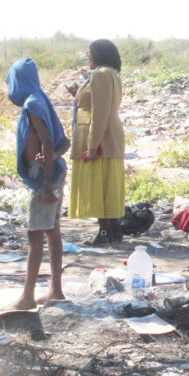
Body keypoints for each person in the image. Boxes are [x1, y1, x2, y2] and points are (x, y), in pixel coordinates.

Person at [6, 58, 70, 310]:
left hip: (42, 176)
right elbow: (63, 143)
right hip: (51, 172)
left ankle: (27, 297)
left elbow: (45, 141)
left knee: (35, 235)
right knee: (53, 230)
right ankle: (55, 289)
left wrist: (45, 184)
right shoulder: (41, 99)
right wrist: (52, 159)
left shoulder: (32, 104)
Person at [68, 39, 125, 246]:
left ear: (99, 55)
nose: (87, 57)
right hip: (109, 137)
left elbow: (99, 113)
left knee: (99, 186)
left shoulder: (101, 75)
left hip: (102, 139)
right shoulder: (110, 75)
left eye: (90, 54)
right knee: (107, 185)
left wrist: (92, 145)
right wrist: (78, 96)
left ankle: (105, 232)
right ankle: (113, 232)